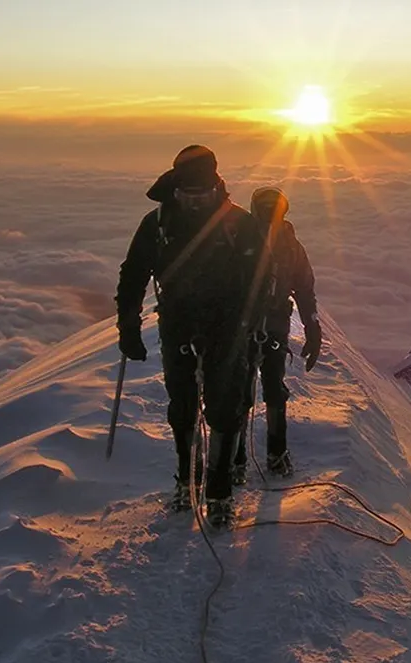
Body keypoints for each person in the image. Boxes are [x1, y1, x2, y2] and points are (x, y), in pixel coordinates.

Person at [114, 145, 268, 528]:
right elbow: (133, 275)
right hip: (180, 324)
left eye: (202, 193)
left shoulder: (238, 224)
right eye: (189, 194)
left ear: (216, 185)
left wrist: (252, 327)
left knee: (223, 408)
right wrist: (128, 325)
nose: (196, 201)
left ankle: (217, 491)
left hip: (226, 328)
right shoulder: (159, 224)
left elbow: (261, 280)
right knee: (183, 407)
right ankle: (188, 479)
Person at [234, 186, 322, 481]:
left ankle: (251, 456)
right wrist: (311, 326)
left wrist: (312, 326)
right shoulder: (279, 244)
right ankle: (261, 455)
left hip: (257, 325)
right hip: (256, 325)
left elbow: (305, 290)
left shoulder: (283, 245)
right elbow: (305, 292)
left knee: (259, 388)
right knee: (256, 388)